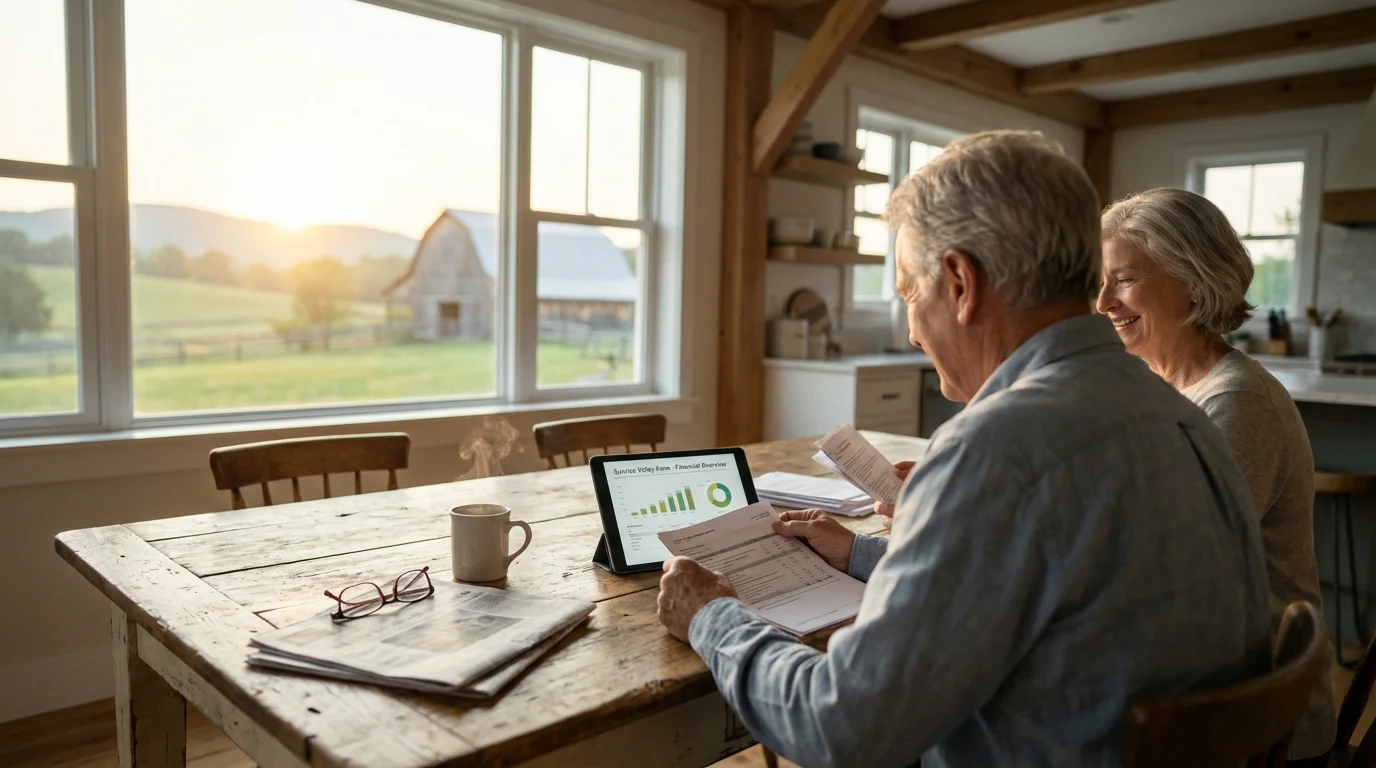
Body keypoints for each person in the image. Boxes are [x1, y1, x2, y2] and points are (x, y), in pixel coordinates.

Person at [655, 131, 1272, 767]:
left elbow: (843, 729)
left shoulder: (995, 451)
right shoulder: (1181, 416)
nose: (913, 331)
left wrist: (714, 617)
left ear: (959, 282)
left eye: (908, 295)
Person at [1098, 187, 1334, 765]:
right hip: (1200, 678)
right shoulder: (1160, 390)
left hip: (1258, 724)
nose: (1102, 301)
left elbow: (1157, 570)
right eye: (1099, 281)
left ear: (1195, 282)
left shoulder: (1236, 402)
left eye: (1124, 280)